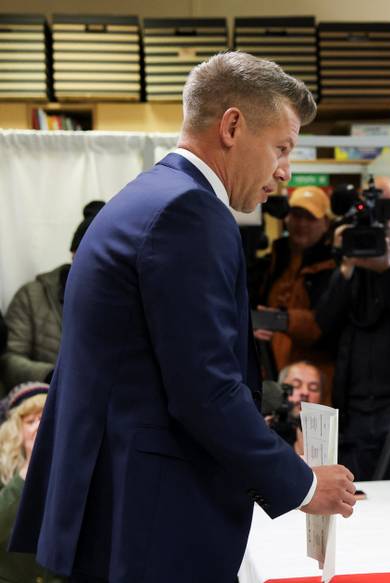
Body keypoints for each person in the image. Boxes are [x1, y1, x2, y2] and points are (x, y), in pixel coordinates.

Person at [9, 52, 356, 582]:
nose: (284, 172)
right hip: (151, 520)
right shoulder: (190, 214)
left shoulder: (143, 197)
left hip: (115, 505)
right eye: (282, 148)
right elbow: (204, 391)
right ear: (233, 125)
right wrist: (304, 483)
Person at [316, 176, 390, 481]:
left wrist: (387, 270)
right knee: (358, 507)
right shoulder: (348, 261)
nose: (387, 220)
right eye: (378, 209)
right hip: (354, 412)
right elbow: (325, 325)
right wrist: (343, 267)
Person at [0, 201, 104, 389]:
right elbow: (9, 360)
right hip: (43, 402)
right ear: (74, 253)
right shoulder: (32, 297)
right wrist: (52, 375)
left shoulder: (120, 301)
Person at [254, 186, 336, 394]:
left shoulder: (335, 266)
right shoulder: (274, 259)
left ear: (326, 223)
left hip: (316, 382)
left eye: (310, 218)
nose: (301, 224)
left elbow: (328, 326)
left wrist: (283, 320)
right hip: (273, 374)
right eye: (296, 215)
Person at [0, 383, 62, 583]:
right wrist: (28, 470)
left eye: (44, 418)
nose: (38, 427)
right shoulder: (5, 476)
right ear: (16, 431)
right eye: (30, 421)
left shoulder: (73, 473)